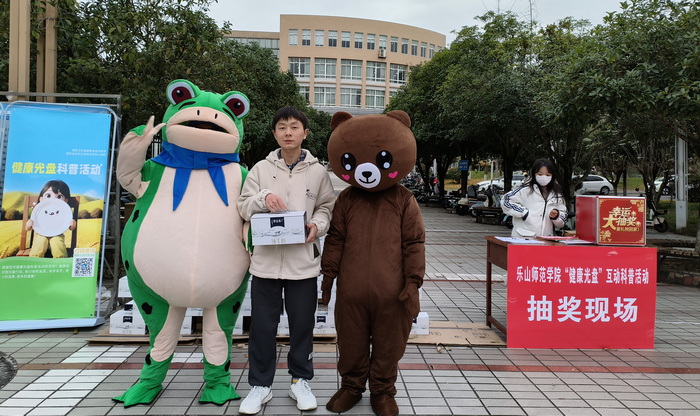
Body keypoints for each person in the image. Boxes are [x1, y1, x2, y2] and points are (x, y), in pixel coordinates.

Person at [237, 106, 335, 415]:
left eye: (294, 127)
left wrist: (317, 225)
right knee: (262, 328)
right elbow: (242, 206)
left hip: (303, 263)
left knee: (302, 326)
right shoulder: (260, 169)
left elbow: (326, 207)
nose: (288, 132)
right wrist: (263, 198)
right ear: (274, 133)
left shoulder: (318, 172)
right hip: (265, 263)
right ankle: (260, 385)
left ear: (305, 133)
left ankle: (299, 381)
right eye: (282, 127)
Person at [501, 159, 567, 238]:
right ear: (534, 174)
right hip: (523, 238)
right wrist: (524, 213)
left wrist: (556, 216)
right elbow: (506, 200)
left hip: (546, 239)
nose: (544, 177)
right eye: (540, 174)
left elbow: (563, 218)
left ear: (552, 175)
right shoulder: (525, 190)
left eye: (548, 175)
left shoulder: (557, 195)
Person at [26, 180, 76, 258]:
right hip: (41, 234)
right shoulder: (38, 212)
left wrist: (72, 225)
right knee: (40, 241)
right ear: (41, 199)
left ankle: (61, 260)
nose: (53, 199)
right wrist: (29, 225)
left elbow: (70, 226)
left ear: (66, 200)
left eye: (59, 196)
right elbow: (28, 227)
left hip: (57, 234)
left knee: (57, 242)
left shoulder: (65, 212)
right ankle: (35, 258)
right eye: (48, 195)